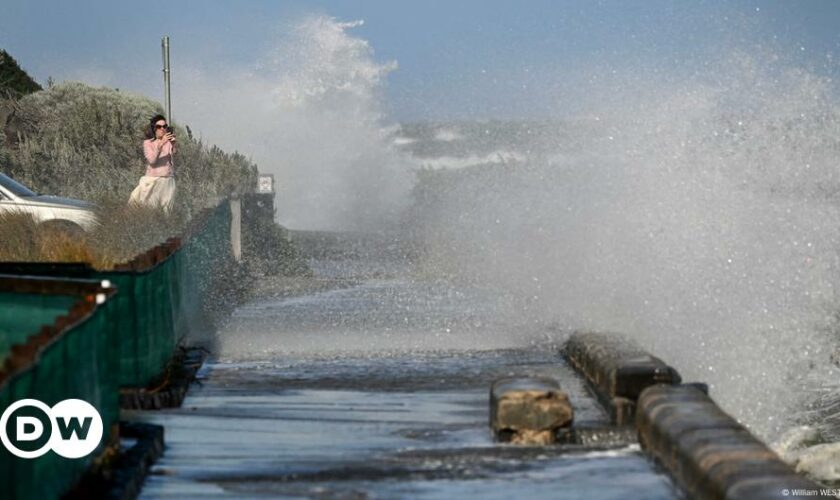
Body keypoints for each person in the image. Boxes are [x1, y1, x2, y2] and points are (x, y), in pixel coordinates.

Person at [129, 114, 177, 210]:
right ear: (154, 128)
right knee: (147, 207)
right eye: (159, 127)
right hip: (153, 180)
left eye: (165, 126)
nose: (162, 129)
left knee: (166, 210)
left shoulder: (168, 142)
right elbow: (152, 161)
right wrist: (161, 144)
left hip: (167, 180)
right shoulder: (148, 143)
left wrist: (173, 144)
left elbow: (174, 155)